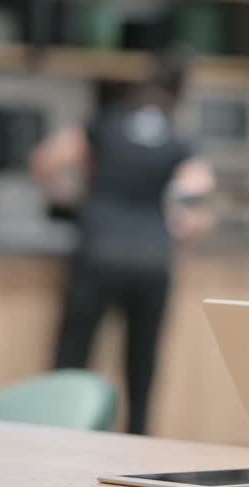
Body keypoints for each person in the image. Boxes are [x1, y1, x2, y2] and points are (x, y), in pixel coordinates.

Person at [30, 50, 216, 434]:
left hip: (98, 252)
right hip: (151, 261)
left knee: (72, 364)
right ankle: (137, 453)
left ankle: (56, 442)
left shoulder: (106, 123)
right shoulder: (179, 141)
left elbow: (46, 159)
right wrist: (182, 222)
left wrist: (69, 197)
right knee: (141, 369)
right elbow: (197, 200)